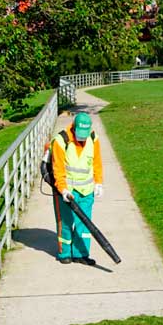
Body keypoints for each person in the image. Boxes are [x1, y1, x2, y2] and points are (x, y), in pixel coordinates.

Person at [50, 112, 104, 265]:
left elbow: (97, 162)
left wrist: (99, 182)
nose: (82, 138)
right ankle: (65, 253)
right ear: (73, 128)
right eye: (80, 134)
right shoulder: (61, 141)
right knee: (66, 223)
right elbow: (58, 169)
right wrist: (63, 190)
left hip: (87, 191)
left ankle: (81, 254)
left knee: (85, 224)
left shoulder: (93, 138)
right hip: (67, 191)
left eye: (84, 135)